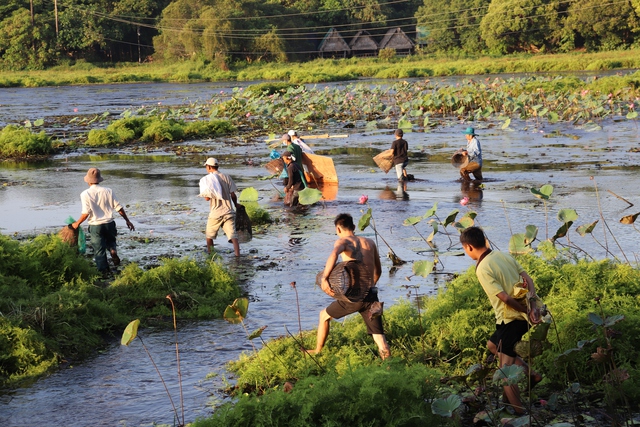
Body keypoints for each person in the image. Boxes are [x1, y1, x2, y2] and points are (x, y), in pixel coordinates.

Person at [460, 226, 542, 415]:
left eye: (465, 249)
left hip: (512, 319)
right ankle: (532, 375)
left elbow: (504, 298)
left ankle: (522, 415)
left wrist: (524, 310)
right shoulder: (501, 255)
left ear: (470, 247)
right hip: (520, 317)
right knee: (492, 345)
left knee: (505, 372)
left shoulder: (482, 268)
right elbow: (527, 278)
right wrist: (532, 304)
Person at [307, 213, 391, 360]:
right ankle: (392, 366)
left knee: (323, 316)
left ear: (338, 229)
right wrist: (370, 287)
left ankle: (317, 351)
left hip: (354, 296)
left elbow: (334, 254)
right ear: (353, 227)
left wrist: (325, 278)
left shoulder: (342, 242)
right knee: (380, 340)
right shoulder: (370, 242)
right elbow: (378, 271)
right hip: (372, 294)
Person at [71, 168, 134, 275]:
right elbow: (119, 208)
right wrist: (128, 221)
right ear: (99, 180)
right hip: (109, 224)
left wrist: (77, 223)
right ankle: (113, 251)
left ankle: (104, 272)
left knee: (99, 250)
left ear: (88, 181)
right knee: (111, 241)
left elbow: (86, 213)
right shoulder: (108, 191)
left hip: (96, 226)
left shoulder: (85, 194)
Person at [199, 157, 240, 256]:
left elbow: (207, 199)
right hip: (228, 211)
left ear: (209, 167)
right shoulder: (226, 177)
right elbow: (233, 194)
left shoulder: (207, 180)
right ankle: (238, 256)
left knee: (209, 236)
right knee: (233, 236)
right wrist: (236, 205)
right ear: (217, 166)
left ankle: (211, 255)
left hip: (215, 213)